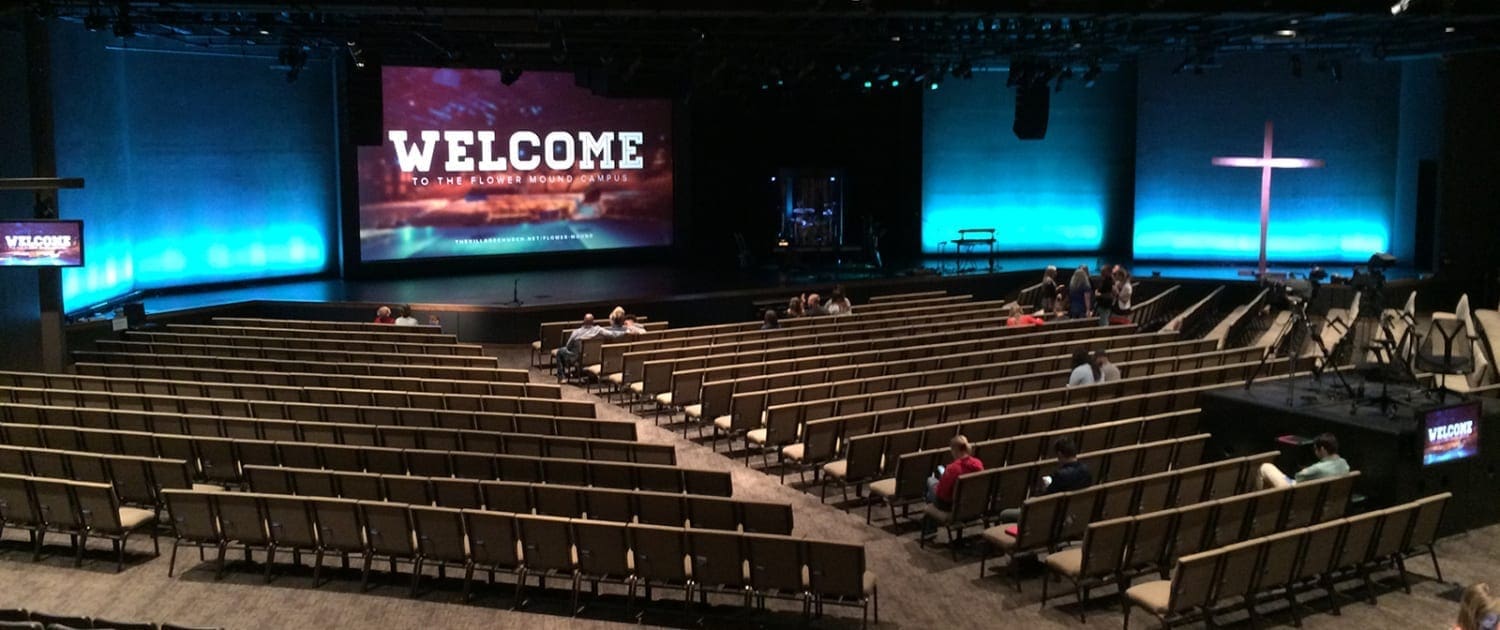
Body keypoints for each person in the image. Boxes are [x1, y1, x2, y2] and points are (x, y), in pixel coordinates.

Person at [999, 438, 1093, 522]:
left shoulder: (1060, 475)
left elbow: (1046, 500)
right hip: (1075, 514)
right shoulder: (1087, 470)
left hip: (1051, 516)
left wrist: (1041, 492)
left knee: (1005, 514)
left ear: (1059, 454)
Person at [922, 435, 984, 536]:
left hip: (952, 506)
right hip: (971, 504)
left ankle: (929, 527)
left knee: (930, 482)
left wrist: (938, 484)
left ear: (955, 450)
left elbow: (942, 495)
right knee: (931, 490)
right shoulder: (978, 464)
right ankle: (929, 525)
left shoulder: (952, 469)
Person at [1259, 433, 1351, 489]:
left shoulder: (1318, 468)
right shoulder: (1344, 464)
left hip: (1294, 492)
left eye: (1316, 449)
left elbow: (1299, 477)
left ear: (1322, 449)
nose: (1315, 452)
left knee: (1265, 467)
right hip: (1319, 498)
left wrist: (1306, 470)